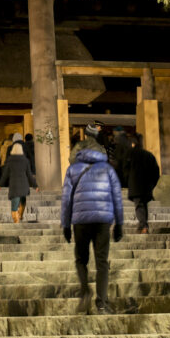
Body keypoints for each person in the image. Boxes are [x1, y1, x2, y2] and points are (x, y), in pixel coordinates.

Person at [61, 135, 123, 315]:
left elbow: (66, 199)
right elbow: (117, 197)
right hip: (103, 219)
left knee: (81, 259)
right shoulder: (107, 169)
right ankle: (102, 303)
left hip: (80, 220)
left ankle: (85, 290)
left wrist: (65, 224)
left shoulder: (72, 169)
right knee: (102, 262)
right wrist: (119, 223)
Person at [126, 136, 160, 234]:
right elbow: (156, 171)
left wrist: (127, 181)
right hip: (147, 186)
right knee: (143, 205)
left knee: (139, 205)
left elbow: (124, 169)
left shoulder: (130, 155)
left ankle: (143, 226)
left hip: (136, 185)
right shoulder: (149, 155)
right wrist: (152, 184)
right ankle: (143, 225)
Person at [0, 143, 37, 222]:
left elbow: (5, 174)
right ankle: (20, 215)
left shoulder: (10, 160)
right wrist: (35, 185)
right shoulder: (25, 160)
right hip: (23, 185)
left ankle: (16, 220)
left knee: (14, 204)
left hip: (14, 185)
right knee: (23, 201)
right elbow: (29, 174)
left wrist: (0, 184)